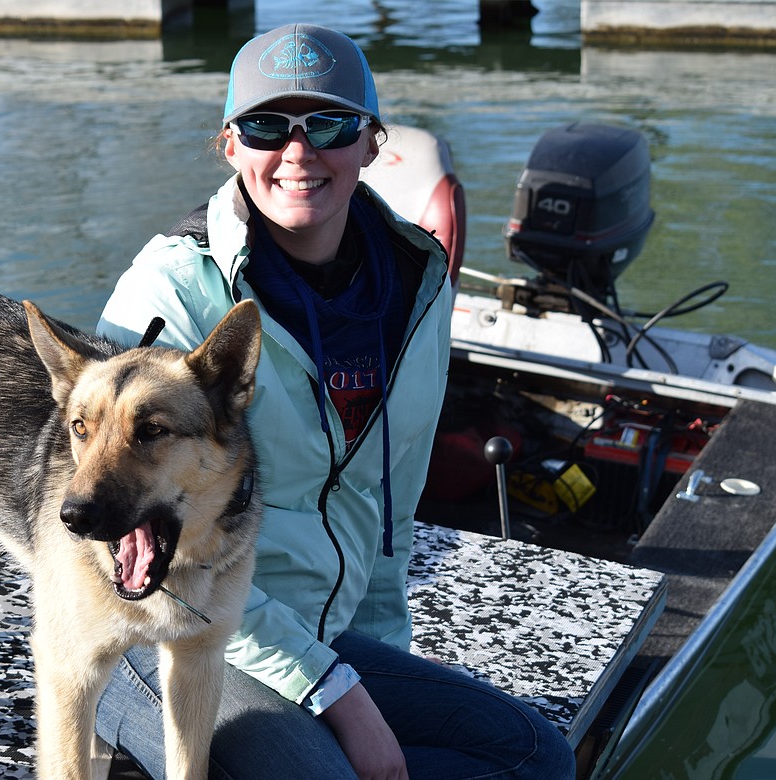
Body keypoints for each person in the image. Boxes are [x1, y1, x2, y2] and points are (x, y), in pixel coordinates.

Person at [94, 23, 575, 780]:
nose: (297, 151)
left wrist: (375, 668)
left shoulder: (419, 289)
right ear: (229, 146)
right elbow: (139, 547)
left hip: (324, 640)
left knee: (535, 756)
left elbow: (387, 510)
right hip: (168, 636)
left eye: (329, 124)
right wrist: (340, 692)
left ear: (372, 143)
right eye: (265, 126)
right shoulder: (167, 297)